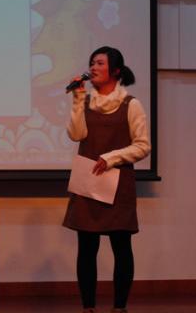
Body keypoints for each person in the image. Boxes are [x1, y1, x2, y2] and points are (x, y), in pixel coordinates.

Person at [63, 46, 151, 313]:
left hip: (118, 183)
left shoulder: (131, 104)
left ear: (116, 70)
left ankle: (119, 307)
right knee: (86, 248)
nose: (93, 67)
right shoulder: (85, 100)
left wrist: (112, 157)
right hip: (89, 182)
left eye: (100, 63)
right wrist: (77, 98)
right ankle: (88, 307)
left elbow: (143, 145)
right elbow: (76, 135)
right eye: (92, 62)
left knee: (121, 247)